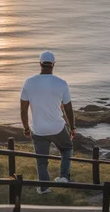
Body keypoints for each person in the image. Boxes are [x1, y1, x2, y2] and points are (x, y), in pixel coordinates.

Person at [20, 51, 76, 194]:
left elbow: (23, 109)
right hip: (57, 127)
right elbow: (68, 109)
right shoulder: (62, 83)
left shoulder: (29, 82)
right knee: (66, 149)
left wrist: (26, 128)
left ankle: (44, 188)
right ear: (53, 65)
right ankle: (64, 177)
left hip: (38, 129)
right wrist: (72, 127)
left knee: (41, 160)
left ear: (40, 64)